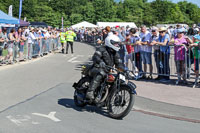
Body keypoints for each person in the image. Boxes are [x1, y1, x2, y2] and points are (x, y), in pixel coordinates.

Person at [86, 34, 124, 101]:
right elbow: (95, 57)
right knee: (101, 73)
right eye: (115, 44)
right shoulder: (102, 49)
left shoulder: (115, 53)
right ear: (109, 42)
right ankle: (90, 92)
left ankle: (109, 96)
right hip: (96, 68)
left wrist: (123, 70)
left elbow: (118, 63)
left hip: (107, 71)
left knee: (118, 78)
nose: (117, 45)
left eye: (117, 44)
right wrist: (100, 61)